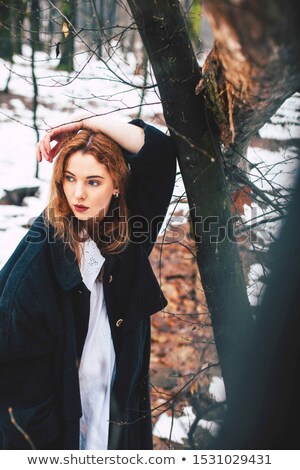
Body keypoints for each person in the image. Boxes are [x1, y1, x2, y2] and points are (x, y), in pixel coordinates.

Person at [0, 113, 177, 450]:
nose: (78, 194)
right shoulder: (40, 257)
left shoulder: (127, 232)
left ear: (116, 187)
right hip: (62, 429)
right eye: (69, 178)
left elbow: (160, 153)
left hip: (114, 417)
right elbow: (17, 375)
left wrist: (86, 123)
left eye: (93, 181)